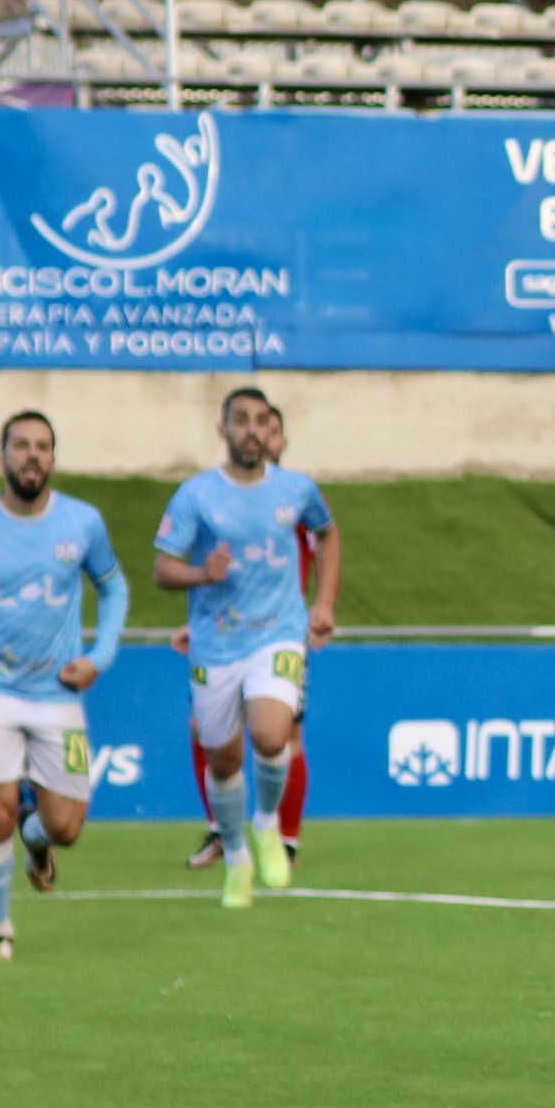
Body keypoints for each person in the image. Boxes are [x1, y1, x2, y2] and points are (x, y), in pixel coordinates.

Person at [0, 411, 128, 961]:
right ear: (1, 458)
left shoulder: (82, 523)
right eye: (21, 446)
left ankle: (37, 841)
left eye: (42, 447)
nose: (31, 455)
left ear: (54, 460)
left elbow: (114, 589)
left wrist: (99, 657)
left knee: (66, 827)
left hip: (58, 694)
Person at [153, 385, 340, 911]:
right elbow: (163, 569)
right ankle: (236, 856)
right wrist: (200, 574)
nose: (252, 430)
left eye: (262, 420)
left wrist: (323, 605)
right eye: (241, 420)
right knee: (223, 758)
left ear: (272, 431)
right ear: (223, 429)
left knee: (271, 731)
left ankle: (268, 825)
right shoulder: (195, 495)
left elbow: (328, 535)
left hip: (278, 633)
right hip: (216, 643)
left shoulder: (298, 489)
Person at [187, 402, 317, 867]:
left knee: (280, 734)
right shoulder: (217, 497)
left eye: (273, 429)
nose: (262, 436)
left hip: (279, 632)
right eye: (250, 425)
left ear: (281, 440)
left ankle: (284, 837)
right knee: (206, 730)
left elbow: (322, 549)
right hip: (222, 633)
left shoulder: (295, 500)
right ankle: (222, 833)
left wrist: (320, 611)